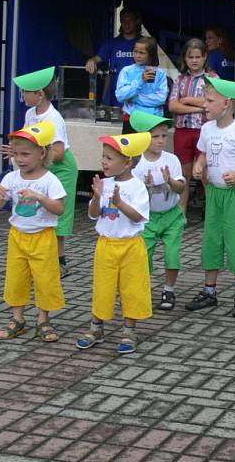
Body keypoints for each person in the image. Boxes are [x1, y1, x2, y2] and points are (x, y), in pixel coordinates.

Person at [185, 77, 235, 317]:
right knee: (212, 241)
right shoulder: (207, 129)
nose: (204, 105)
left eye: (209, 100)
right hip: (215, 194)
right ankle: (209, 292)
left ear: (226, 103)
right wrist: (199, 165)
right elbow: (203, 154)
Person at [0, 121, 66, 342]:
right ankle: (18, 319)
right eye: (16, 154)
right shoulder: (11, 178)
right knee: (16, 279)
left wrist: (40, 197)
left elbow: (59, 209)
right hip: (18, 236)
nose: (19, 159)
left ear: (42, 153)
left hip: (43, 237)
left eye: (25, 154)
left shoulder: (50, 180)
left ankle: (43, 319)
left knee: (45, 279)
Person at [76, 131, 152, 354]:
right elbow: (92, 214)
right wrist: (98, 197)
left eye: (109, 158)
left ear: (127, 162)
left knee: (132, 288)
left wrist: (120, 203)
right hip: (106, 245)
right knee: (103, 287)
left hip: (131, 246)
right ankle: (96, 327)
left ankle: (129, 331)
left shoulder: (137, 187)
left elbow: (139, 216)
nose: (103, 162)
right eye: (103, 157)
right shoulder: (105, 184)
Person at [10, 67, 78, 280]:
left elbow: (57, 153)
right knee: (39, 210)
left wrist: (37, 160)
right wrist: (14, 151)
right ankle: (39, 258)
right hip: (42, 165)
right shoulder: (30, 113)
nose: (22, 96)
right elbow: (26, 140)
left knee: (58, 213)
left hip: (61, 168)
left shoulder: (53, 118)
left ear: (40, 94)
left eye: (26, 92)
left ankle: (59, 262)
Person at [131, 111, 186, 312]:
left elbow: (181, 188)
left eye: (164, 135)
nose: (161, 141)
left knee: (172, 254)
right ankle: (141, 290)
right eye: (155, 136)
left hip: (172, 215)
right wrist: (145, 187)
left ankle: (168, 289)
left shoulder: (171, 159)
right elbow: (134, 196)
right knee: (143, 255)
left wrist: (170, 181)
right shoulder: (136, 164)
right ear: (144, 137)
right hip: (148, 218)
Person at [168, 38, 217, 213]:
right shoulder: (180, 79)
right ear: (185, 59)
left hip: (205, 131)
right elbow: (173, 106)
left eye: (198, 56)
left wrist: (187, 101)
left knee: (205, 174)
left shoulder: (212, 78)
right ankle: (182, 213)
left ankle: (212, 212)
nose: (194, 60)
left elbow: (212, 103)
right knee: (184, 174)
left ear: (205, 57)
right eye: (191, 57)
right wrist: (199, 107)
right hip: (183, 131)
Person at [85, 8, 143, 107]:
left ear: (136, 21)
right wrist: (91, 61)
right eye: (123, 20)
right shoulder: (111, 43)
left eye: (130, 20)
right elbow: (97, 59)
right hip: (116, 99)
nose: (126, 23)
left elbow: (154, 68)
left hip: (139, 99)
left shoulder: (144, 43)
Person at [115, 37, 169, 134]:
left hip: (153, 120)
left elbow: (161, 99)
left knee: (150, 149)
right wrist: (140, 81)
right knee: (131, 149)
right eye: (135, 51)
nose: (137, 55)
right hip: (132, 118)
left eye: (142, 53)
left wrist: (133, 98)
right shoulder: (126, 71)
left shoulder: (160, 73)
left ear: (151, 54)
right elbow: (120, 95)